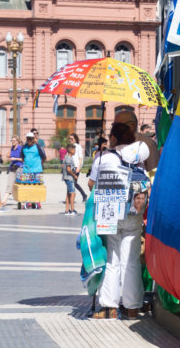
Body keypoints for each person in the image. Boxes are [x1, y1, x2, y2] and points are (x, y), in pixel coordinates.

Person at [87, 122, 150, 319]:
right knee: (131, 260)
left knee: (112, 259)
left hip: (111, 214)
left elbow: (91, 184)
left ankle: (109, 306)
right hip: (134, 214)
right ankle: (132, 306)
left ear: (113, 138)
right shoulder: (137, 159)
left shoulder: (105, 157)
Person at [2, 136, 23, 205]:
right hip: (12, 168)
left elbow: (23, 159)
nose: (13, 142)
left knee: (19, 184)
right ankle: (4, 201)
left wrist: (15, 159)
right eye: (12, 140)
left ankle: (21, 200)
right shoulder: (12, 148)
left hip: (19, 167)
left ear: (18, 141)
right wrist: (10, 158)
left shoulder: (21, 148)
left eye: (14, 140)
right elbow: (8, 155)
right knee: (9, 184)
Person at [69, 133, 88, 202]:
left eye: (72, 139)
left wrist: (79, 167)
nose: (70, 140)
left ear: (75, 139)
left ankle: (84, 195)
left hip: (76, 167)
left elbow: (80, 157)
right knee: (70, 182)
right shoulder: (69, 146)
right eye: (69, 138)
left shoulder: (78, 146)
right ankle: (70, 198)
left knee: (73, 182)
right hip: (70, 167)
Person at [62, 143, 79, 216]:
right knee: (73, 193)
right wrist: (74, 175)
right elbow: (68, 169)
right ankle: (72, 210)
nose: (75, 151)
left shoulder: (67, 157)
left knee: (68, 194)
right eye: (74, 149)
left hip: (67, 178)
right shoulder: (68, 158)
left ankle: (67, 210)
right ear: (71, 150)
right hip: (69, 178)